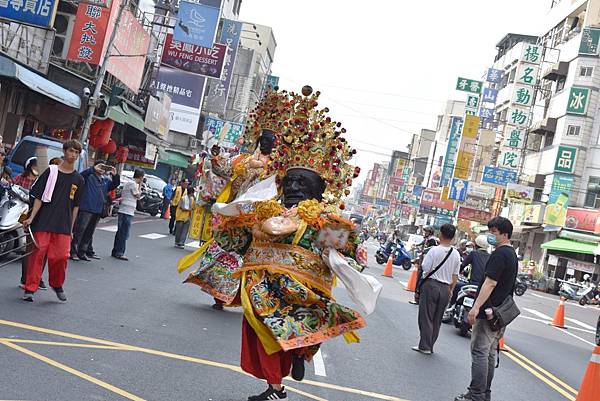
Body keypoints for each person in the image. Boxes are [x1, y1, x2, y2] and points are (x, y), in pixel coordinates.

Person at [183, 86, 368, 400]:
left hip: (301, 288)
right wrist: (230, 220)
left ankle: (294, 359)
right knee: (261, 330)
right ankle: (275, 386)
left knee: (288, 329)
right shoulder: (266, 208)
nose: (294, 186)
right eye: (290, 181)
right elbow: (234, 241)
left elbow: (352, 256)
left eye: (302, 182)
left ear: (318, 189)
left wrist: (334, 248)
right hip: (261, 283)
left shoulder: (323, 217)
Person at [455, 216, 518, 401]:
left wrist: (475, 308)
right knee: (489, 353)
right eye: (489, 231)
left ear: (505, 234)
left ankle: (475, 395)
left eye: (494, 232)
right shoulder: (511, 254)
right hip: (500, 314)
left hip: (490, 311)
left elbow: (490, 283)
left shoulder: (499, 254)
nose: (490, 235)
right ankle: (483, 394)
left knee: (480, 352)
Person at [21, 140, 84, 302]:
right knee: (37, 254)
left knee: (61, 257)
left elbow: (76, 206)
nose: (74, 155)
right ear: (64, 151)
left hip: (63, 224)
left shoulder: (79, 179)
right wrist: (31, 217)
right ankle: (30, 288)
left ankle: (56, 284)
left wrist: (71, 228)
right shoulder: (51, 172)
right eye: (71, 151)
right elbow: (39, 197)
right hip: (44, 220)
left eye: (77, 153)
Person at [413, 223, 460, 354]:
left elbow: (426, 267)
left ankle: (425, 346)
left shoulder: (434, 250)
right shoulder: (456, 254)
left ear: (440, 234)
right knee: (437, 319)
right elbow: (455, 275)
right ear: (452, 237)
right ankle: (430, 345)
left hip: (432, 286)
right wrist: (451, 290)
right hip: (446, 288)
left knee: (426, 316)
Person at [70, 161, 119, 261]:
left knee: (89, 232)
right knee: (80, 231)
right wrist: (92, 169)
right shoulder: (88, 176)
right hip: (86, 208)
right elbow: (80, 176)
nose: (102, 169)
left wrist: (115, 175)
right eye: (100, 166)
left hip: (98, 209)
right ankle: (73, 251)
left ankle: (82, 252)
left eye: (104, 167)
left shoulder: (105, 180)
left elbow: (114, 185)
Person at [16, 157, 46, 291]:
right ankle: (25, 278)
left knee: (42, 251)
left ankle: (37, 278)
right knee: (30, 249)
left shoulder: (43, 181)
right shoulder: (21, 178)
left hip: (43, 220)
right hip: (26, 214)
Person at [112, 169, 143, 261]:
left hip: (124, 209)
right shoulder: (133, 184)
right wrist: (140, 185)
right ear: (141, 177)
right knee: (124, 232)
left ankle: (115, 251)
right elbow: (137, 195)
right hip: (127, 211)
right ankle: (120, 252)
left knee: (120, 231)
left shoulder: (129, 183)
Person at [450, 235, 491, 306]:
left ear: (475, 245)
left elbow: (462, 265)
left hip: (472, 284)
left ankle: (452, 306)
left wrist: (456, 274)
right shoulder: (490, 256)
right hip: (483, 287)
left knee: (456, 286)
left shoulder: (473, 253)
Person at [412, 225, 439, 305]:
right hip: (422, 261)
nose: (424, 233)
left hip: (426, 263)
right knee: (419, 280)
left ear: (430, 232)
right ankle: (417, 297)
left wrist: (422, 251)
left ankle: (419, 298)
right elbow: (420, 244)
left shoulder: (432, 240)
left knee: (421, 280)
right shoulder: (426, 239)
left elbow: (430, 249)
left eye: (426, 231)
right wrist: (415, 246)